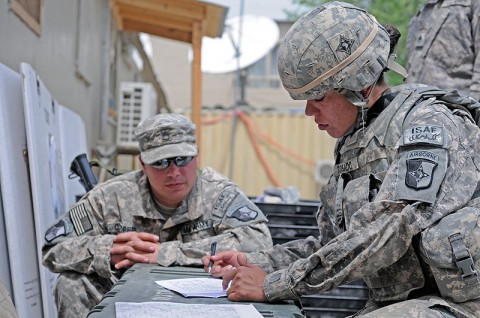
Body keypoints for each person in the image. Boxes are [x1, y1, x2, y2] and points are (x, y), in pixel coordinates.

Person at [203, 2, 480, 317]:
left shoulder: (429, 123)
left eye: (319, 97)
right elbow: (337, 244)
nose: (309, 111)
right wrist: (259, 261)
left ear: (360, 86)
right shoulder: (357, 140)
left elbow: (387, 231)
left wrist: (274, 283)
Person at [42, 113, 273, 317]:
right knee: (70, 283)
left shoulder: (219, 194)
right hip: (129, 297)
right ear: (143, 163)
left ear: (196, 156)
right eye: (160, 162)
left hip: (203, 300)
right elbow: (53, 247)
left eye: (182, 159)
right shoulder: (110, 197)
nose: (173, 172)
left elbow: (260, 240)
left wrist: (165, 252)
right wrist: (105, 249)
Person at [406, 0, 480, 101]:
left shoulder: (472, 4)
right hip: (416, 104)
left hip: (455, 107)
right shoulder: (426, 8)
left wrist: (474, 108)